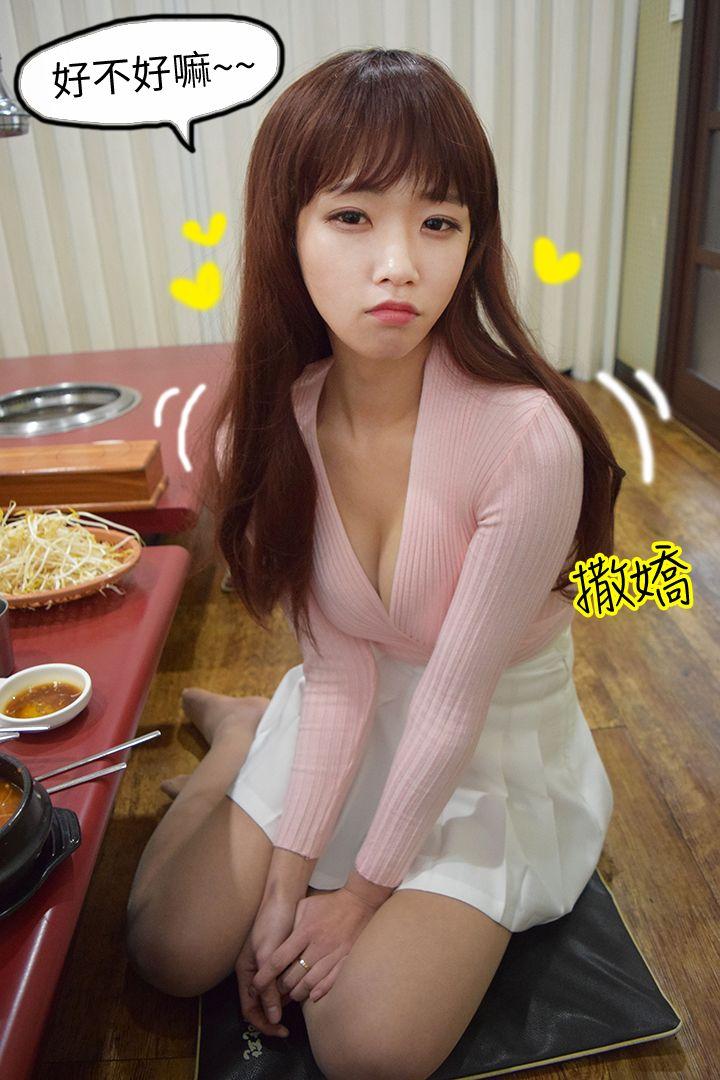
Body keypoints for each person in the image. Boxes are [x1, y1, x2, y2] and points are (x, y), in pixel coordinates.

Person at [125, 47, 624, 1080]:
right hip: (343, 711)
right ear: (288, 229)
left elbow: (451, 702)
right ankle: (241, 739)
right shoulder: (271, 427)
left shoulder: (527, 438)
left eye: (439, 223)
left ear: (473, 242)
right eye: (353, 216)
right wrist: (284, 885)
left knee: (367, 1047)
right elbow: (343, 672)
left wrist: (355, 898)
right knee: (168, 951)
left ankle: (252, 742)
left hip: (486, 743)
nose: (399, 263)